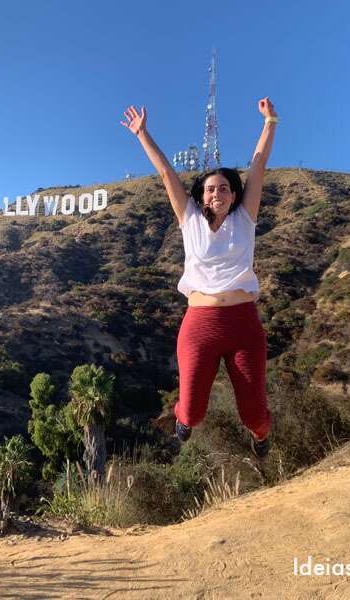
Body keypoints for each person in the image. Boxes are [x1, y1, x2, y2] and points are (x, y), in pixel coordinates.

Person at [120, 98, 278, 459]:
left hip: (243, 324)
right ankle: (182, 418)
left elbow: (258, 164)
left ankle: (261, 435)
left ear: (234, 195)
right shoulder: (189, 219)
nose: (217, 193)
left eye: (224, 188)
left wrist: (270, 121)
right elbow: (165, 174)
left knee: (254, 415)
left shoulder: (245, 218)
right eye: (210, 188)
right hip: (200, 323)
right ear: (201, 196)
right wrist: (143, 134)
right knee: (193, 412)